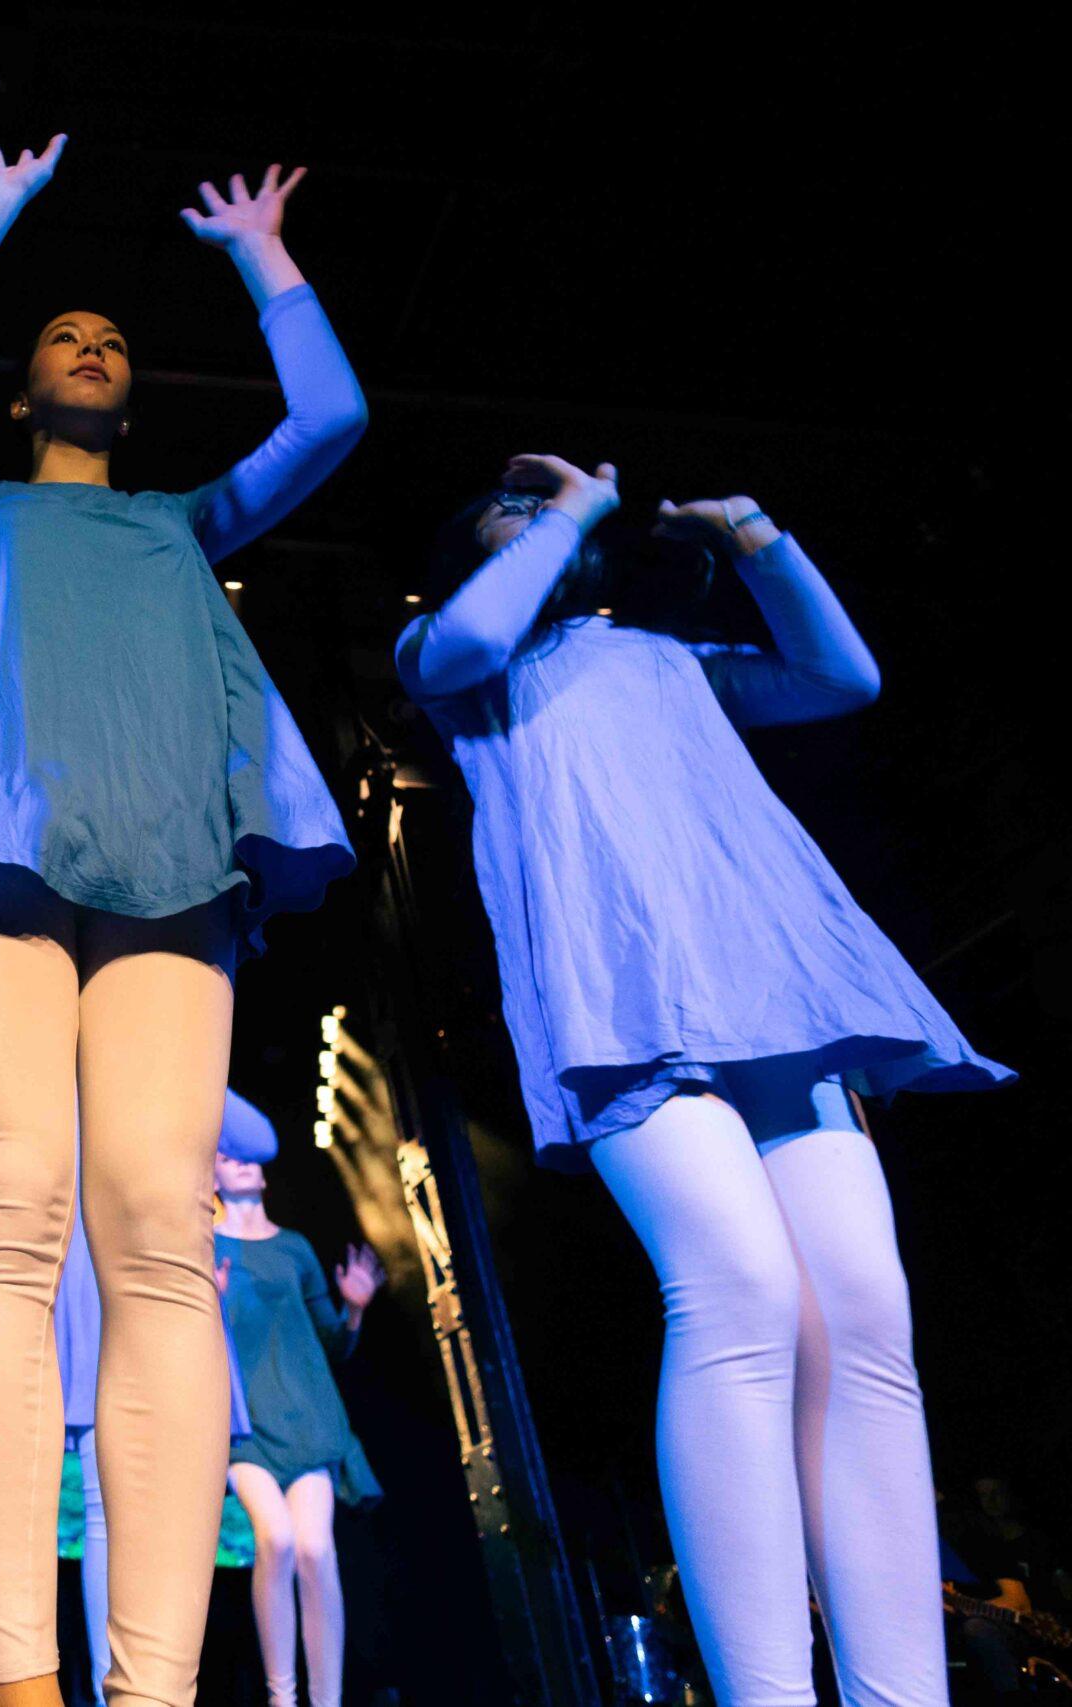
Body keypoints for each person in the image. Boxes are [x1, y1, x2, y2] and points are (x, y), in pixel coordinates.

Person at [0, 132, 364, 1707]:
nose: (88, 345)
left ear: (132, 400)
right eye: (62, 338)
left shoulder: (183, 519)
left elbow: (332, 417)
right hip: (4, 849)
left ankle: (154, 1685)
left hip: (170, 856)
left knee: (160, 1230)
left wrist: (264, 253)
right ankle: (14, 1676)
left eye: (111, 340)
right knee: (9, 1207)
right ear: (24, 396)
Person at [398, 457, 1012, 1703]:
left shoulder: (666, 659)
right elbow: (467, 635)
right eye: (507, 511)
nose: (535, 513)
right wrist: (574, 506)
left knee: (862, 1317)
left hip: (774, 989)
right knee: (739, 1292)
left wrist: (750, 538)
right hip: (622, 1005)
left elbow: (842, 678)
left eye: (543, 508)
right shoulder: (456, 660)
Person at [60, 1094, 265, 1707]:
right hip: (97, 1290)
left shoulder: (163, 1082)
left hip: (172, 1288)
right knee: (105, 1511)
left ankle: (166, 1690)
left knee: (182, 1513)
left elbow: (258, 1143)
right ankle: (115, 1693)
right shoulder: (68, 1094)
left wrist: (194, 1048)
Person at [213, 1111, 384, 1707]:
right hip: (245, 1430)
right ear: (210, 1175)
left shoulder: (295, 1247)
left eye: (249, 1156)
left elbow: (333, 1344)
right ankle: (282, 1697)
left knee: (315, 1550)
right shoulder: (204, 1249)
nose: (243, 1163)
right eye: (228, 1156)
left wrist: (354, 1309)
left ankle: (327, 1701)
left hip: (308, 1420)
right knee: (278, 1540)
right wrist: (206, 1305)